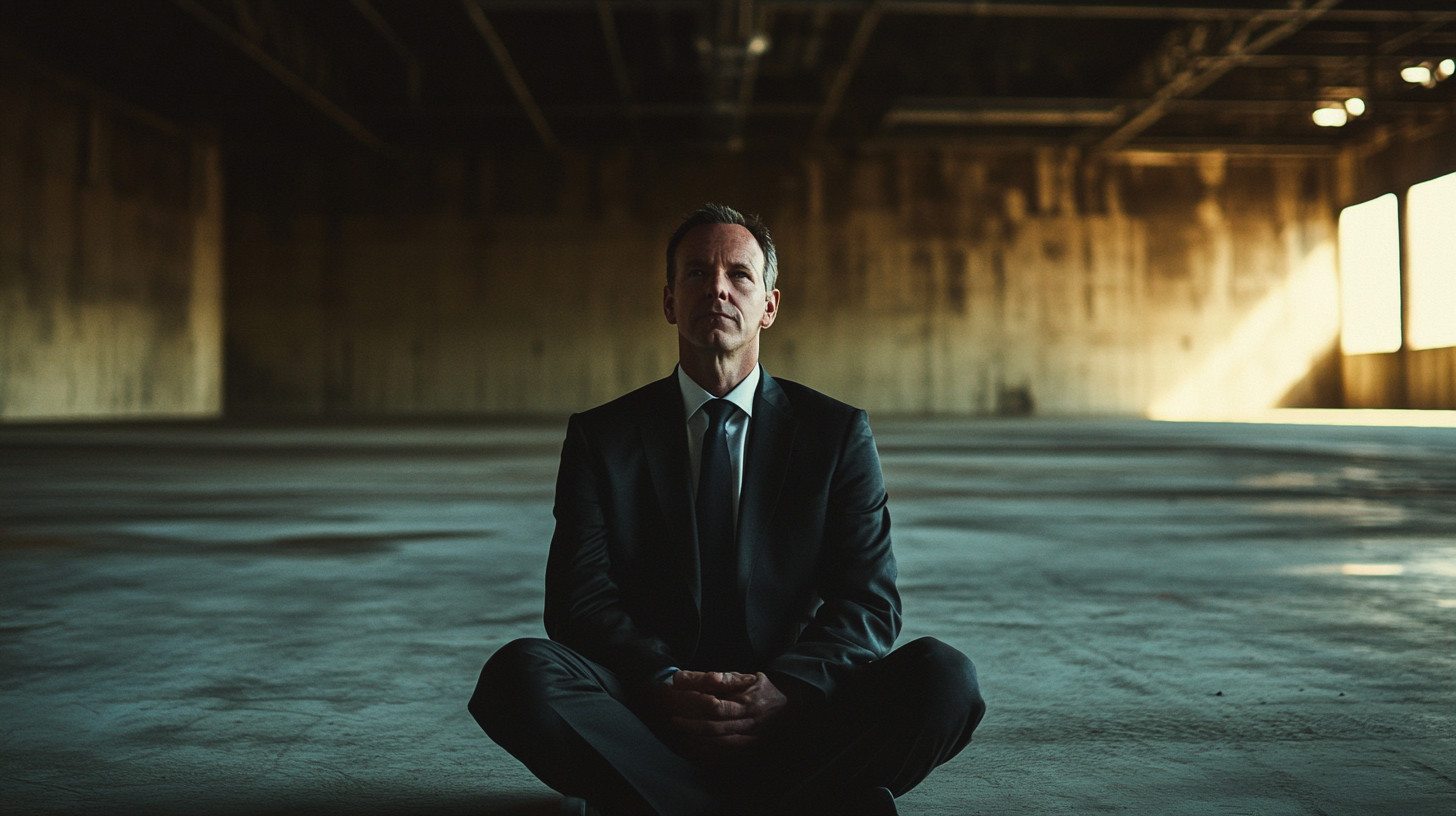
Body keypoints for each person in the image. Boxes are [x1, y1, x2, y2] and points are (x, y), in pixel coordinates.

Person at [469, 204, 985, 815]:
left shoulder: (835, 432)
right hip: (648, 711)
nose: (717, 287)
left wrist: (785, 690)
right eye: (696, 273)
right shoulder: (602, 436)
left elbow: (868, 601)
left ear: (768, 305)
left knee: (944, 679)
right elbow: (578, 602)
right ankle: (786, 804)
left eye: (738, 274)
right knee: (518, 675)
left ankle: (663, 802)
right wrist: (664, 684)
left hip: (794, 715)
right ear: (669, 301)